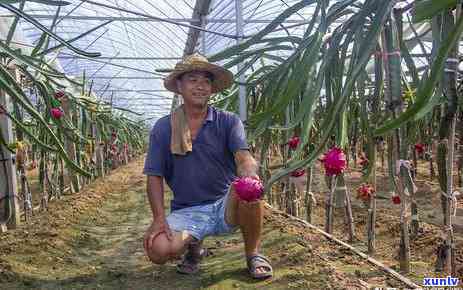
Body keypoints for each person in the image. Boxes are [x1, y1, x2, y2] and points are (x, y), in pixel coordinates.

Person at [143, 54, 273, 279]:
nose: (200, 86)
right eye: (193, 80)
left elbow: (243, 155)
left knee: (249, 191)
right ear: (179, 86)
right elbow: (154, 176)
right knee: (159, 250)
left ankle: (253, 254)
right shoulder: (164, 128)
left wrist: (249, 173)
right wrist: (158, 218)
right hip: (188, 210)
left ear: (212, 88)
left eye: (206, 81)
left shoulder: (228, 121)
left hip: (225, 204)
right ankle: (194, 248)